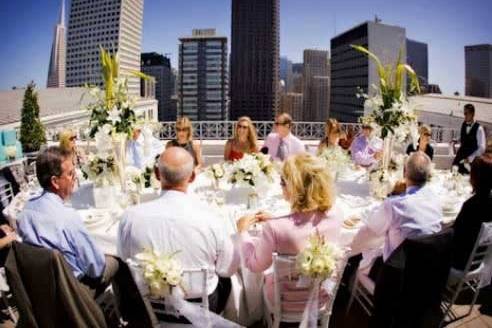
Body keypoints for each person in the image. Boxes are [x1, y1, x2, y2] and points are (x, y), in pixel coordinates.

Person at [118, 147, 237, 315]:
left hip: (150, 309)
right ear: (193, 177)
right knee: (226, 280)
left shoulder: (130, 217)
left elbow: (123, 256)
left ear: (157, 174)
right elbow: (227, 269)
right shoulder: (212, 218)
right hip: (203, 308)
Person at [236, 153, 344, 311]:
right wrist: (276, 220)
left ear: (295, 187)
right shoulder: (336, 215)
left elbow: (255, 266)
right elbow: (307, 227)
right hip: (321, 296)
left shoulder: (274, 228)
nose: (280, 186)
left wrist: (243, 232)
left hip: (284, 299)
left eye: (282, 181)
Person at [16, 146, 118, 295]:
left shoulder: (25, 212)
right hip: (72, 293)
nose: (74, 178)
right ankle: (128, 312)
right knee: (116, 260)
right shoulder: (67, 217)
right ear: (55, 182)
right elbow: (95, 269)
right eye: (70, 174)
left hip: (41, 290)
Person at [352, 152, 442, 275]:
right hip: (429, 271)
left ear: (404, 173)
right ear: (428, 175)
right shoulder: (436, 199)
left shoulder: (394, 205)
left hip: (396, 279)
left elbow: (367, 234)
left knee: (363, 256)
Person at [451, 155, 492, 271]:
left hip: (461, 262)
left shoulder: (471, 206)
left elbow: (454, 234)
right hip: (482, 259)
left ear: (475, 178)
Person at [452, 104, 486, 174]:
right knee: (454, 175)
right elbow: (465, 136)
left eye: (466, 113)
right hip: (460, 157)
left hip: (471, 161)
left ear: (472, 114)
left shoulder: (479, 129)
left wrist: (470, 158)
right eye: (464, 113)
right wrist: (457, 140)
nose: (464, 115)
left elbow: (482, 148)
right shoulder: (464, 124)